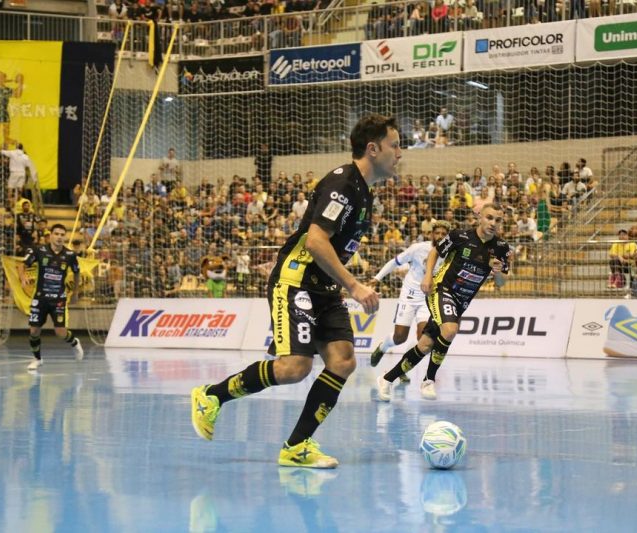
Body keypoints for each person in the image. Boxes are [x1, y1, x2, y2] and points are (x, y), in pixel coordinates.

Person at [191, 115, 401, 468]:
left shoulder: (364, 192)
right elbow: (317, 241)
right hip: (297, 281)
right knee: (294, 367)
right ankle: (211, 396)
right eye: (395, 145)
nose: (400, 153)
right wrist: (354, 285)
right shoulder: (343, 184)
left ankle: (297, 446)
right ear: (373, 148)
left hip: (325, 289)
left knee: (343, 361)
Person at [376, 204, 510, 401]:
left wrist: (497, 273)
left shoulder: (501, 248)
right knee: (449, 330)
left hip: (462, 301)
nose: (493, 223)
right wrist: (428, 276)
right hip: (442, 289)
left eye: (497, 220)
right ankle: (429, 380)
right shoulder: (460, 236)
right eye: (489, 218)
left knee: (425, 345)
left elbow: (501, 283)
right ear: (480, 217)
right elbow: (434, 252)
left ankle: (387, 379)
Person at [368, 221, 452, 382]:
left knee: (424, 340)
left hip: (428, 299)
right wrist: (377, 278)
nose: (440, 236)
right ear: (431, 234)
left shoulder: (449, 254)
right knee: (400, 337)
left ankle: (401, 369)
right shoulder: (418, 248)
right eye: (437, 233)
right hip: (409, 295)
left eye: (443, 234)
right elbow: (395, 262)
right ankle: (382, 347)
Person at [17, 224, 84, 371]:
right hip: (40, 298)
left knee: (60, 332)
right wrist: (22, 278)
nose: (59, 237)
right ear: (51, 235)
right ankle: (37, 359)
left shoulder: (70, 255)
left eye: (62, 234)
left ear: (64, 237)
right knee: (34, 331)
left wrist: (76, 293)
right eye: (57, 234)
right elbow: (22, 265)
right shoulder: (39, 250)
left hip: (58, 299)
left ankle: (74, 342)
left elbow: (77, 272)